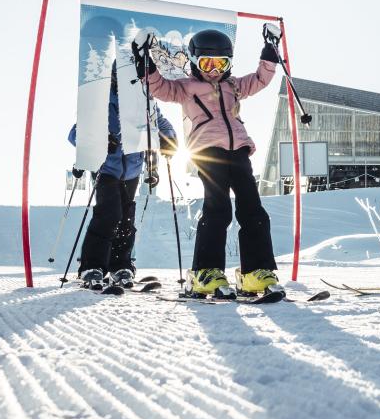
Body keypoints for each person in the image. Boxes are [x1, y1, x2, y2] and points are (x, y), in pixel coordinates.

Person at [134, 24, 281, 299]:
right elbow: (160, 89)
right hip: (207, 151)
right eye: (207, 63)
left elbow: (261, 79)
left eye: (220, 63)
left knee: (254, 210)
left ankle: (255, 272)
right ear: (194, 62)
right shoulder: (186, 88)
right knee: (219, 209)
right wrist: (146, 65)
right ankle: (206, 272)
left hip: (238, 150)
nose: (214, 70)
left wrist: (270, 50)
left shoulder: (234, 85)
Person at [69, 62, 177, 290]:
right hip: (106, 167)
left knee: (126, 217)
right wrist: (99, 139)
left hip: (133, 168)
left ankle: (121, 266)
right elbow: (75, 133)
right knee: (109, 214)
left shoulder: (144, 100)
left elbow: (160, 123)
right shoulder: (101, 100)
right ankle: (92, 266)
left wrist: (169, 139)